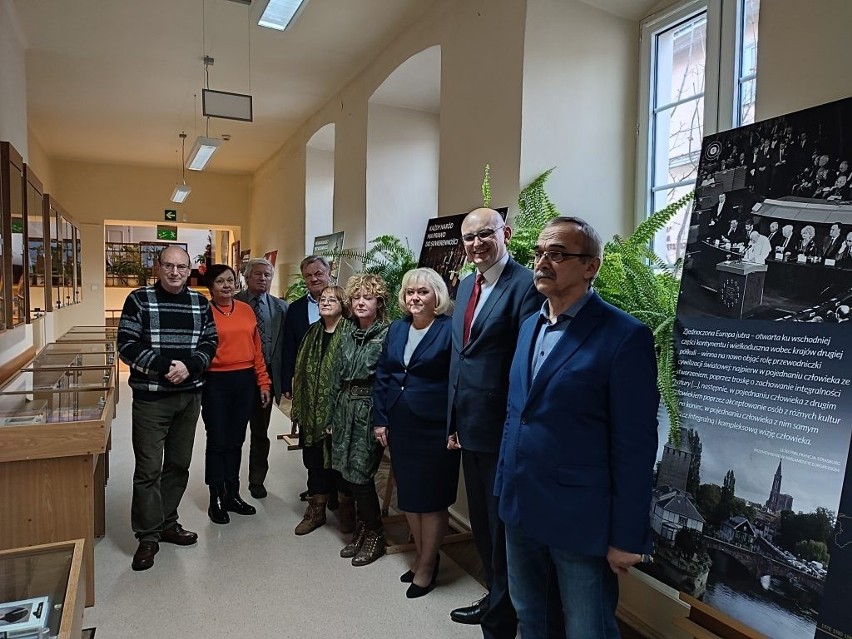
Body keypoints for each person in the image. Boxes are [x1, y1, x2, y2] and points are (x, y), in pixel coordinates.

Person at [496, 216, 658, 638]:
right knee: (530, 616)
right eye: (539, 253)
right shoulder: (530, 325)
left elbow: (636, 444)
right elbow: (519, 413)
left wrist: (627, 535)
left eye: (558, 254)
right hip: (521, 503)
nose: (543, 262)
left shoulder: (624, 336)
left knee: (588, 628)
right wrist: (504, 484)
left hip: (579, 515)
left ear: (592, 267)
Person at [447, 208, 543, 637]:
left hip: (503, 426)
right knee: (483, 525)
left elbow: (525, 361)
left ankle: (503, 614)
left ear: (505, 233)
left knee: (501, 525)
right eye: (468, 238)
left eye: (485, 234)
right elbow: (460, 357)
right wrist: (452, 421)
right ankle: (494, 597)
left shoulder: (526, 286)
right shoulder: (467, 284)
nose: (476, 244)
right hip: (468, 425)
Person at [117, 245, 218, 571]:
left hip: (189, 397)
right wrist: (165, 367)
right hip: (151, 399)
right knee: (148, 469)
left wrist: (190, 367)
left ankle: (167, 522)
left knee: (178, 464)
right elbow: (127, 345)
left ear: (191, 270)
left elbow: (210, 342)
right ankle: (147, 536)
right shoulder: (139, 300)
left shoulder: (199, 302)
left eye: (182, 267)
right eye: (169, 266)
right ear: (158, 268)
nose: (175, 273)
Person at [373, 268, 459, 599]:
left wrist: (456, 425)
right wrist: (381, 418)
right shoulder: (396, 328)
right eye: (410, 292)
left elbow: (459, 381)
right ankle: (426, 557)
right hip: (400, 422)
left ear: (437, 295)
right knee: (409, 494)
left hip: (436, 425)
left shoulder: (449, 329)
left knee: (432, 498)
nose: (415, 298)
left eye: (423, 291)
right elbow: (384, 374)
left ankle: (425, 566)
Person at [328, 274, 391, 566]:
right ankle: (364, 528)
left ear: (379, 302)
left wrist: (384, 419)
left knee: (362, 475)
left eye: (368, 297)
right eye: (356, 297)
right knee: (344, 471)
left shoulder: (389, 333)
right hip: (344, 406)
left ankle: (376, 532)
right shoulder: (346, 332)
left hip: (370, 408)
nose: (361, 302)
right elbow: (335, 375)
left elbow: (390, 380)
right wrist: (330, 414)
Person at [202, 264, 271, 525]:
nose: (227, 285)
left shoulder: (245, 310)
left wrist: (263, 382)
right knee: (218, 439)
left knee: (236, 439)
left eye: (230, 280)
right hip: (215, 382)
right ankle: (216, 497)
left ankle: (233, 493)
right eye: (220, 281)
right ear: (211, 286)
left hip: (245, 381)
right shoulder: (204, 312)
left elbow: (257, 350)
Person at [290, 285, 354, 536]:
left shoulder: (351, 334)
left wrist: (337, 414)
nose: (325, 302)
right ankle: (316, 510)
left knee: (340, 463)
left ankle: (347, 510)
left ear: (343, 305)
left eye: (332, 299)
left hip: (340, 413)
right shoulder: (311, 333)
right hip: (311, 410)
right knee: (314, 460)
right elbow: (301, 371)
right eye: (323, 299)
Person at [234, 257, 289, 499]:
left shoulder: (281, 308)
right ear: (246, 277)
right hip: (238, 377)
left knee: (259, 432)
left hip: (265, 378)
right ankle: (229, 483)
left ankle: (257, 480)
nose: (263, 279)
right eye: (258, 274)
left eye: (267, 275)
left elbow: (288, 346)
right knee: (233, 434)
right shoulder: (233, 303)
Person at [281, 255, 332, 502]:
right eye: (309, 276)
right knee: (310, 440)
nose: (314, 279)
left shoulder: (347, 304)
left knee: (332, 442)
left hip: (335, 388)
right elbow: (288, 347)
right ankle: (316, 489)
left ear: (329, 272)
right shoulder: (296, 309)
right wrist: (286, 381)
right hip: (306, 388)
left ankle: (334, 492)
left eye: (318, 273)